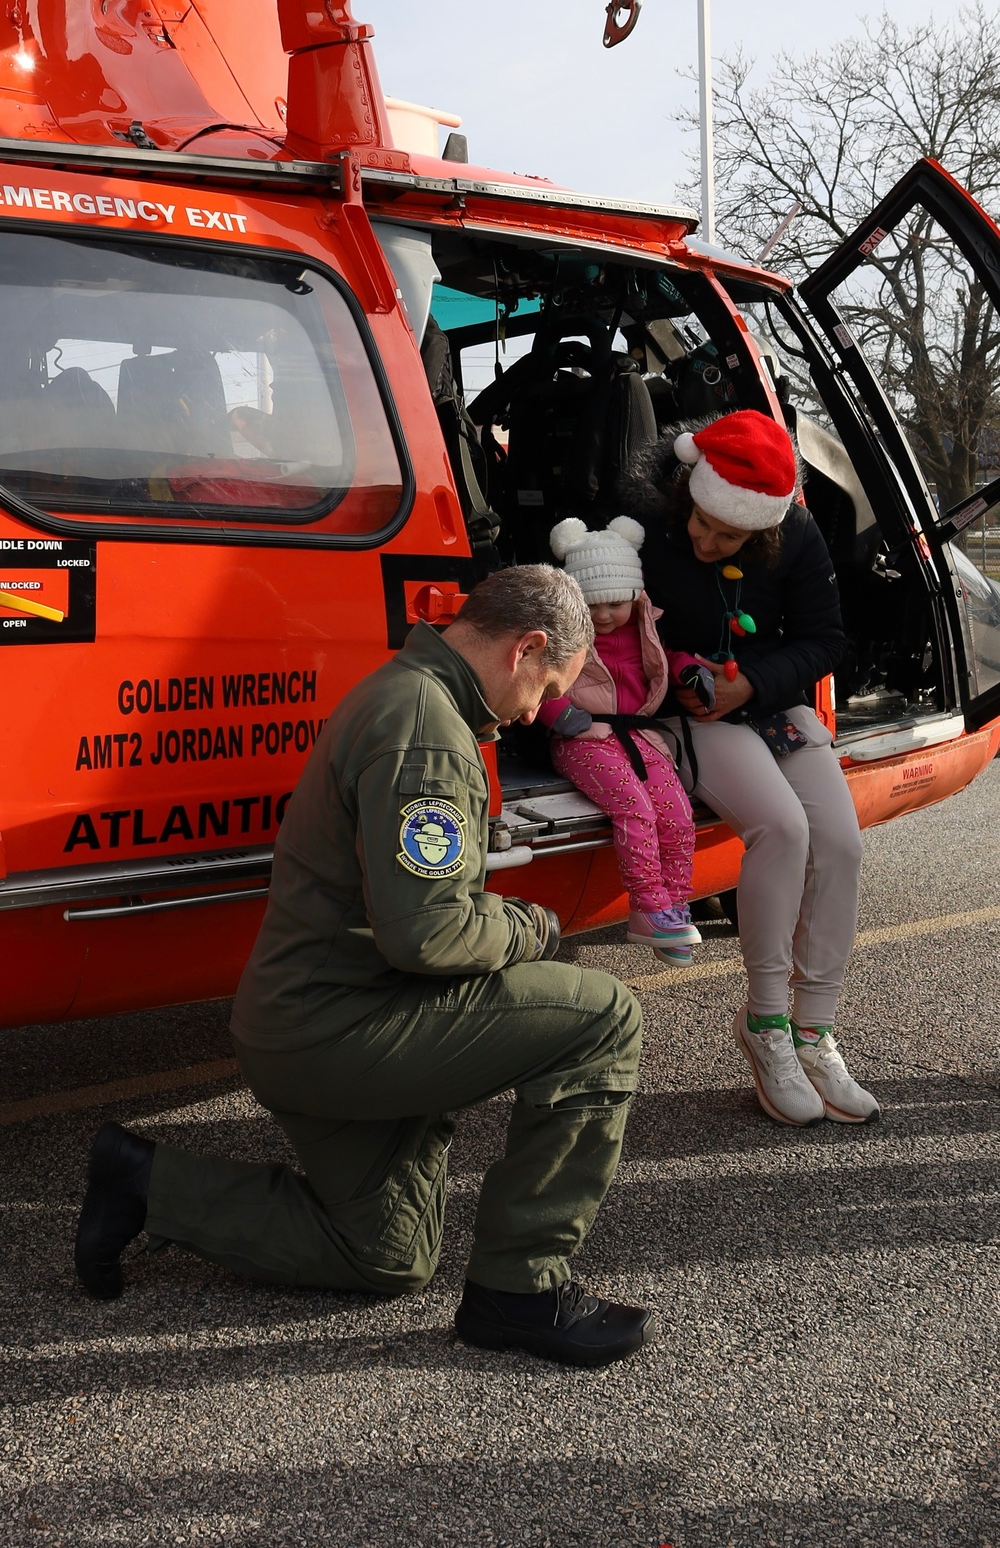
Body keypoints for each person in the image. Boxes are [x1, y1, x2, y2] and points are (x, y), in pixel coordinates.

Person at [74, 566, 653, 1369]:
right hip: (338, 1029)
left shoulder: (409, 692)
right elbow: (427, 935)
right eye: (545, 686)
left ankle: (147, 1183)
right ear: (527, 647)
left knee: (387, 1255)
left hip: (311, 1020)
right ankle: (520, 1291)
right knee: (603, 1017)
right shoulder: (427, 731)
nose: (534, 711)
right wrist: (534, 928)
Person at [622, 408, 879, 1128]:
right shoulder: (646, 521)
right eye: (700, 524)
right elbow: (609, 620)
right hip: (688, 714)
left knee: (842, 844)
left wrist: (753, 682)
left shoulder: (795, 532)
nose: (706, 541)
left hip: (768, 704)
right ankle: (766, 1025)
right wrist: (673, 672)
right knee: (783, 830)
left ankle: (814, 1032)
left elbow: (826, 638)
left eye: (726, 535)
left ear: (762, 529)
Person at [540, 514, 700, 961]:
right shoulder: (559, 636)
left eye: (616, 603)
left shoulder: (646, 625)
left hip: (639, 736)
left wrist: (691, 669)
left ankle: (673, 907)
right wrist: (561, 714)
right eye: (592, 605)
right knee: (635, 806)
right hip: (583, 737)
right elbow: (532, 679)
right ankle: (647, 906)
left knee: (678, 814)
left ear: (635, 594)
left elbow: (667, 656)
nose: (605, 615)